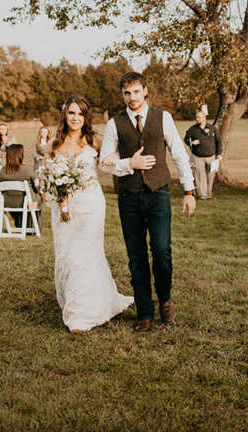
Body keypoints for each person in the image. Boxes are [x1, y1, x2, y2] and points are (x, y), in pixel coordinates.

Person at [99, 72, 196, 332]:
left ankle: (165, 299)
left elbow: (178, 154)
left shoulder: (163, 118)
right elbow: (104, 163)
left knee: (162, 251)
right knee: (136, 256)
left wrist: (189, 191)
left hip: (158, 194)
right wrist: (128, 163)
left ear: (145, 91)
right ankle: (145, 312)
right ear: (122, 95)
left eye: (136, 91)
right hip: (129, 197)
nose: (132, 97)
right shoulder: (114, 124)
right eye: (127, 93)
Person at [43, 94, 133, 333]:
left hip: (91, 204)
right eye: (71, 113)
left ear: (86, 116)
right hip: (63, 207)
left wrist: (120, 160)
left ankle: (81, 313)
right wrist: (55, 192)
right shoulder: (54, 143)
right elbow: (45, 175)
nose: (75, 118)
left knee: (86, 254)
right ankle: (73, 301)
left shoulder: (94, 140)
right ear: (65, 115)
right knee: (67, 254)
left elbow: (110, 162)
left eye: (80, 113)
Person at [0, 144, 39, 226]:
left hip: (8, 204)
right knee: (37, 200)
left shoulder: (2, 171)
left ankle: (20, 224)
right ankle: (32, 227)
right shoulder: (27, 169)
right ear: (20, 155)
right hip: (26, 204)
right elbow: (37, 187)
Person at [183, 109, 222, 200]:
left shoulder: (212, 128)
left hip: (211, 156)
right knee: (200, 176)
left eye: (199, 117)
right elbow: (186, 139)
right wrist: (192, 142)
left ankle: (208, 193)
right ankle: (202, 195)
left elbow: (218, 141)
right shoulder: (192, 129)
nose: (197, 119)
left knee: (210, 176)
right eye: (196, 117)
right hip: (197, 157)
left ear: (204, 118)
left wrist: (219, 154)